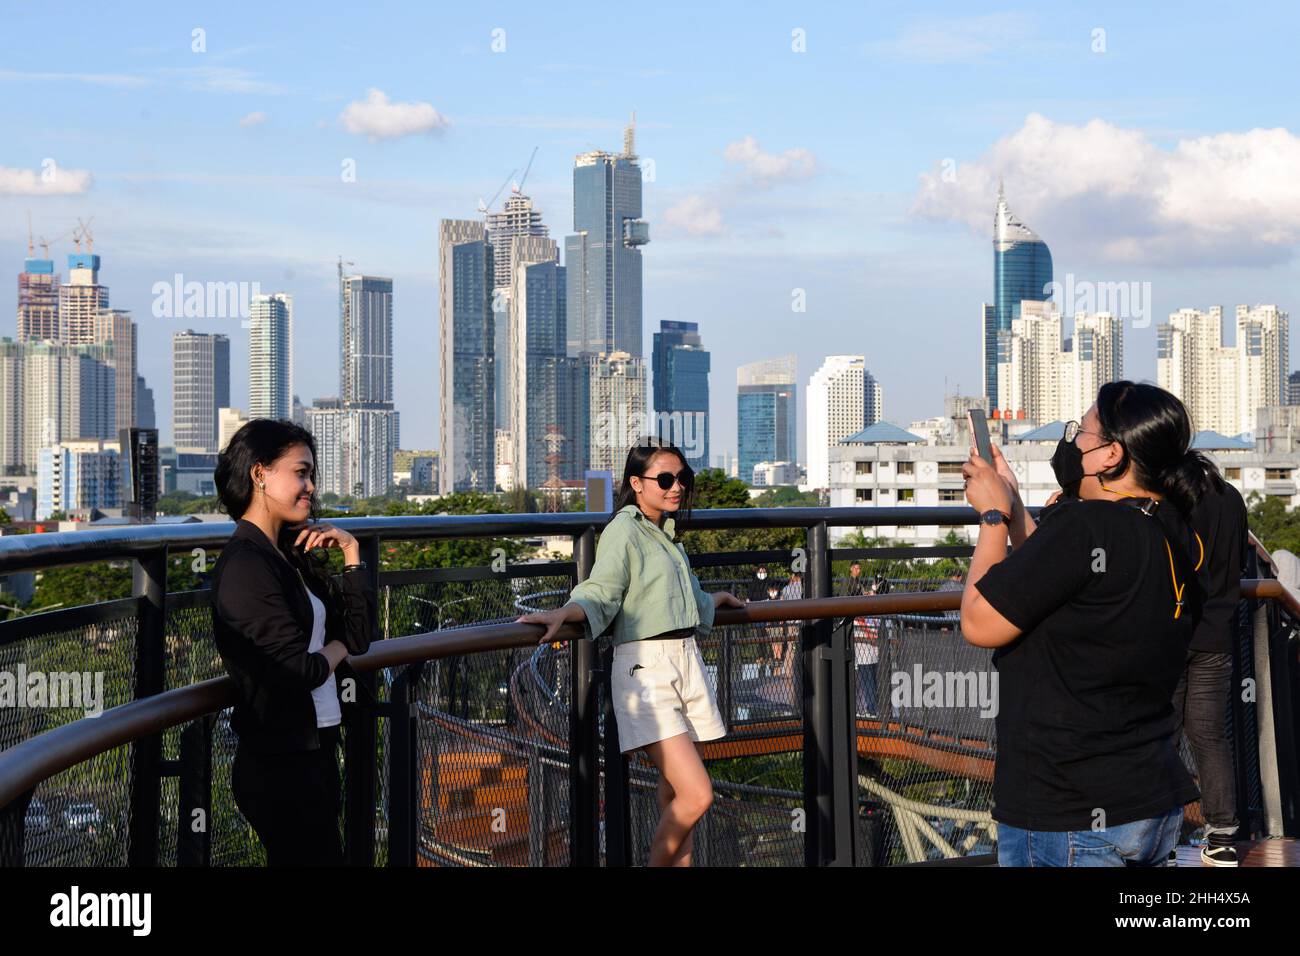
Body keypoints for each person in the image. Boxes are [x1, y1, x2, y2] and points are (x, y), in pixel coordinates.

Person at [960, 381, 1210, 867]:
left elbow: (979, 621)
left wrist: (991, 516)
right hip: (1148, 802)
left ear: (1110, 455)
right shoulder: (1170, 529)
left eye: (1082, 432)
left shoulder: (1086, 525)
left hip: (1069, 811)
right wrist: (1014, 512)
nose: (1071, 442)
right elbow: (1071, 584)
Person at [517, 437, 744, 866]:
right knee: (697, 794)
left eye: (682, 478)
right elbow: (602, 591)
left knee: (675, 793)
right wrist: (563, 613)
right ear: (636, 483)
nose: (676, 486)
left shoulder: (667, 533)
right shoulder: (625, 529)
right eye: (664, 478)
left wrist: (715, 600)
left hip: (684, 661)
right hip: (647, 669)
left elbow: (677, 601)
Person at [210, 419, 375, 866]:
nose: (311, 486)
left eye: (311, 475)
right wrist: (336, 648)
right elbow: (297, 671)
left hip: (314, 748)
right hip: (279, 765)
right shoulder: (247, 565)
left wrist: (352, 553)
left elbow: (360, 636)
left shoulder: (286, 554)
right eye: (300, 473)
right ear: (260, 474)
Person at [1174, 476, 1248, 865]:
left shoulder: (1168, 496)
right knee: (1209, 736)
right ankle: (1221, 837)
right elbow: (1239, 555)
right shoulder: (1230, 496)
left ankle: (1161, 837)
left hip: (1170, 634)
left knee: (1161, 734)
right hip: (1217, 633)